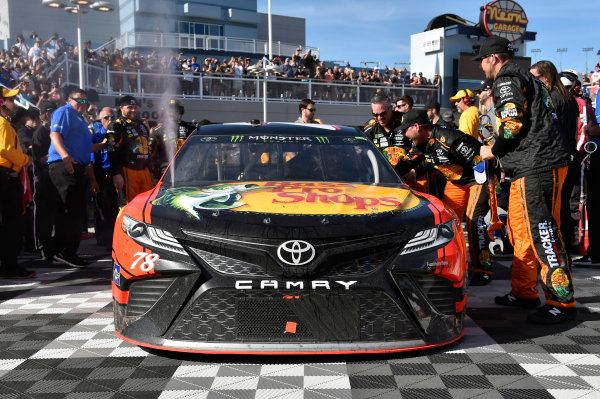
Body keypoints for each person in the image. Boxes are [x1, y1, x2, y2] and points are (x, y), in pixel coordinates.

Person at [476, 35, 575, 324]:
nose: (482, 68)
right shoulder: (523, 77)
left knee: (542, 231)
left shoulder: (506, 79)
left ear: (492, 58)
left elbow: (512, 124)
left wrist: (492, 151)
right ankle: (524, 291)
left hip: (538, 166)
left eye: (482, 61)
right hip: (529, 166)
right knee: (520, 230)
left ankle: (562, 301)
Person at [399, 109, 492, 286]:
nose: (404, 135)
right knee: (447, 221)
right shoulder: (422, 142)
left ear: (416, 127)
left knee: (474, 220)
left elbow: (480, 160)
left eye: (405, 129)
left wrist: (490, 184)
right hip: (456, 182)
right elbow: (413, 162)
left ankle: (483, 270)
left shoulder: (449, 138)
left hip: (477, 181)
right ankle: (452, 264)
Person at [530, 61, 579, 254]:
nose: (533, 81)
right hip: (569, 155)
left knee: (554, 210)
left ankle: (557, 253)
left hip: (556, 158)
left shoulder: (552, 98)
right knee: (565, 207)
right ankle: (565, 250)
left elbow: (548, 132)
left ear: (546, 77)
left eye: (536, 78)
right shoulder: (568, 98)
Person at [47, 89, 99, 268]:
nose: (83, 104)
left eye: (86, 102)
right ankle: (64, 251)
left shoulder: (80, 119)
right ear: (69, 99)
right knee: (70, 209)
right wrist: (65, 157)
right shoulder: (64, 111)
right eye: (80, 100)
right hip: (65, 165)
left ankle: (67, 250)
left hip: (77, 167)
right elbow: (54, 134)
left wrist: (104, 144)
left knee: (75, 210)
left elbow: (85, 147)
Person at [0, 87, 35, 278]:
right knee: (11, 224)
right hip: (6, 177)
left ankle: (9, 265)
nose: (15, 103)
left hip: (6, 176)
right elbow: (5, 150)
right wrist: (24, 160)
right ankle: (10, 266)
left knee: (9, 224)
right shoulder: (2, 124)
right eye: (10, 99)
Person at [106, 95, 154, 205]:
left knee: (147, 205)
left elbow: (147, 149)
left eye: (135, 107)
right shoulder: (116, 125)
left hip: (144, 171)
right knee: (129, 206)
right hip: (127, 171)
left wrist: (150, 171)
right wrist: (116, 173)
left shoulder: (142, 125)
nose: (133, 110)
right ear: (121, 108)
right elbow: (111, 150)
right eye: (129, 107)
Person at [32, 101, 59, 262]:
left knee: (55, 216)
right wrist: (58, 150)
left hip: (55, 178)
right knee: (45, 217)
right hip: (44, 180)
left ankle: (53, 248)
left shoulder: (55, 130)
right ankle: (45, 250)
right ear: (47, 114)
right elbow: (39, 160)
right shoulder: (41, 133)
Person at [92, 107, 117, 250]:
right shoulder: (96, 137)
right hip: (103, 176)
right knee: (105, 209)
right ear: (101, 120)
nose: (110, 120)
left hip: (118, 174)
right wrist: (93, 181)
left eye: (112, 117)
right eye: (107, 118)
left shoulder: (119, 134)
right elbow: (92, 161)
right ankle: (107, 240)